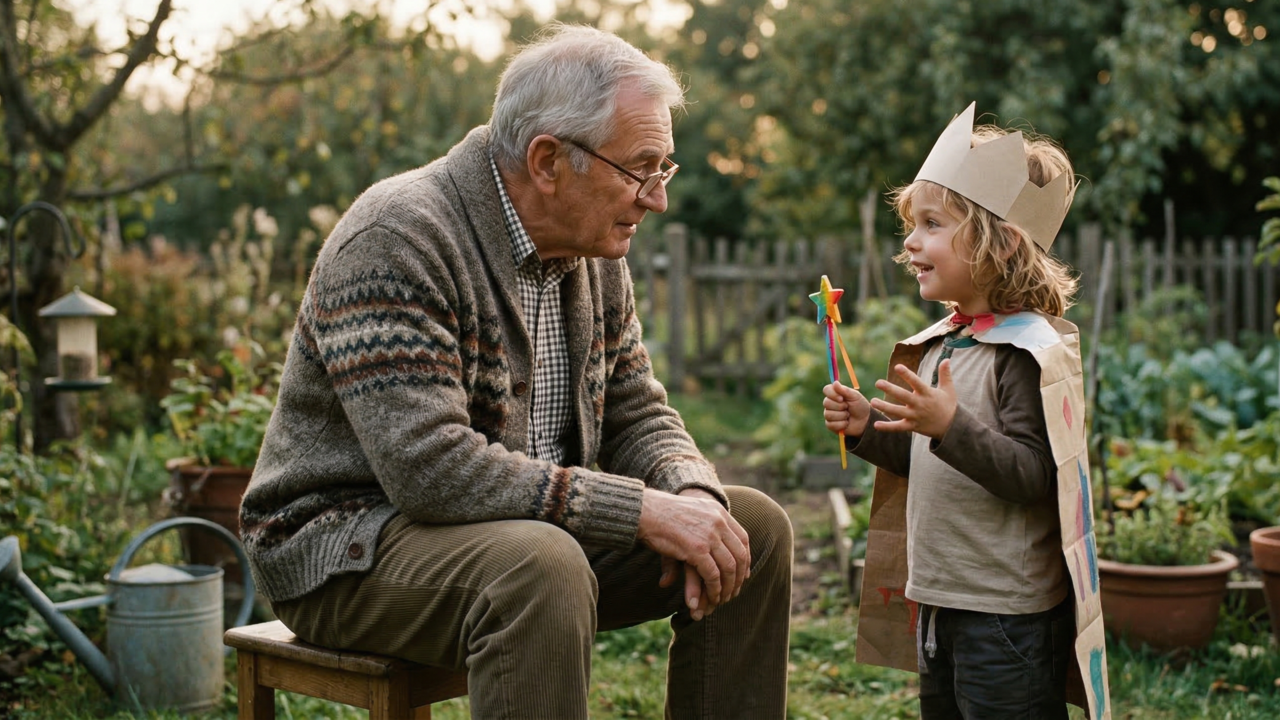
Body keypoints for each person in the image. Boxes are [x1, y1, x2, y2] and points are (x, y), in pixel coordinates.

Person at [237, 23, 793, 720]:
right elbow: (430, 470)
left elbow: (637, 410)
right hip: (345, 546)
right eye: (640, 168)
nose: (658, 198)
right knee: (538, 567)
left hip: (526, 530)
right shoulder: (397, 238)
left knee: (751, 529)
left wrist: (691, 493)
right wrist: (642, 510)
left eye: (664, 168)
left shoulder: (594, 254)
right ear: (548, 161)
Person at [823, 103, 1111, 719]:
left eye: (932, 224)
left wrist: (949, 426)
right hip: (941, 598)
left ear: (1000, 244)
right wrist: (868, 428)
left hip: (1006, 612)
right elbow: (929, 456)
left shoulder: (1025, 353)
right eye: (912, 224)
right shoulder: (945, 342)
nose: (910, 241)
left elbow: (1035, 475)